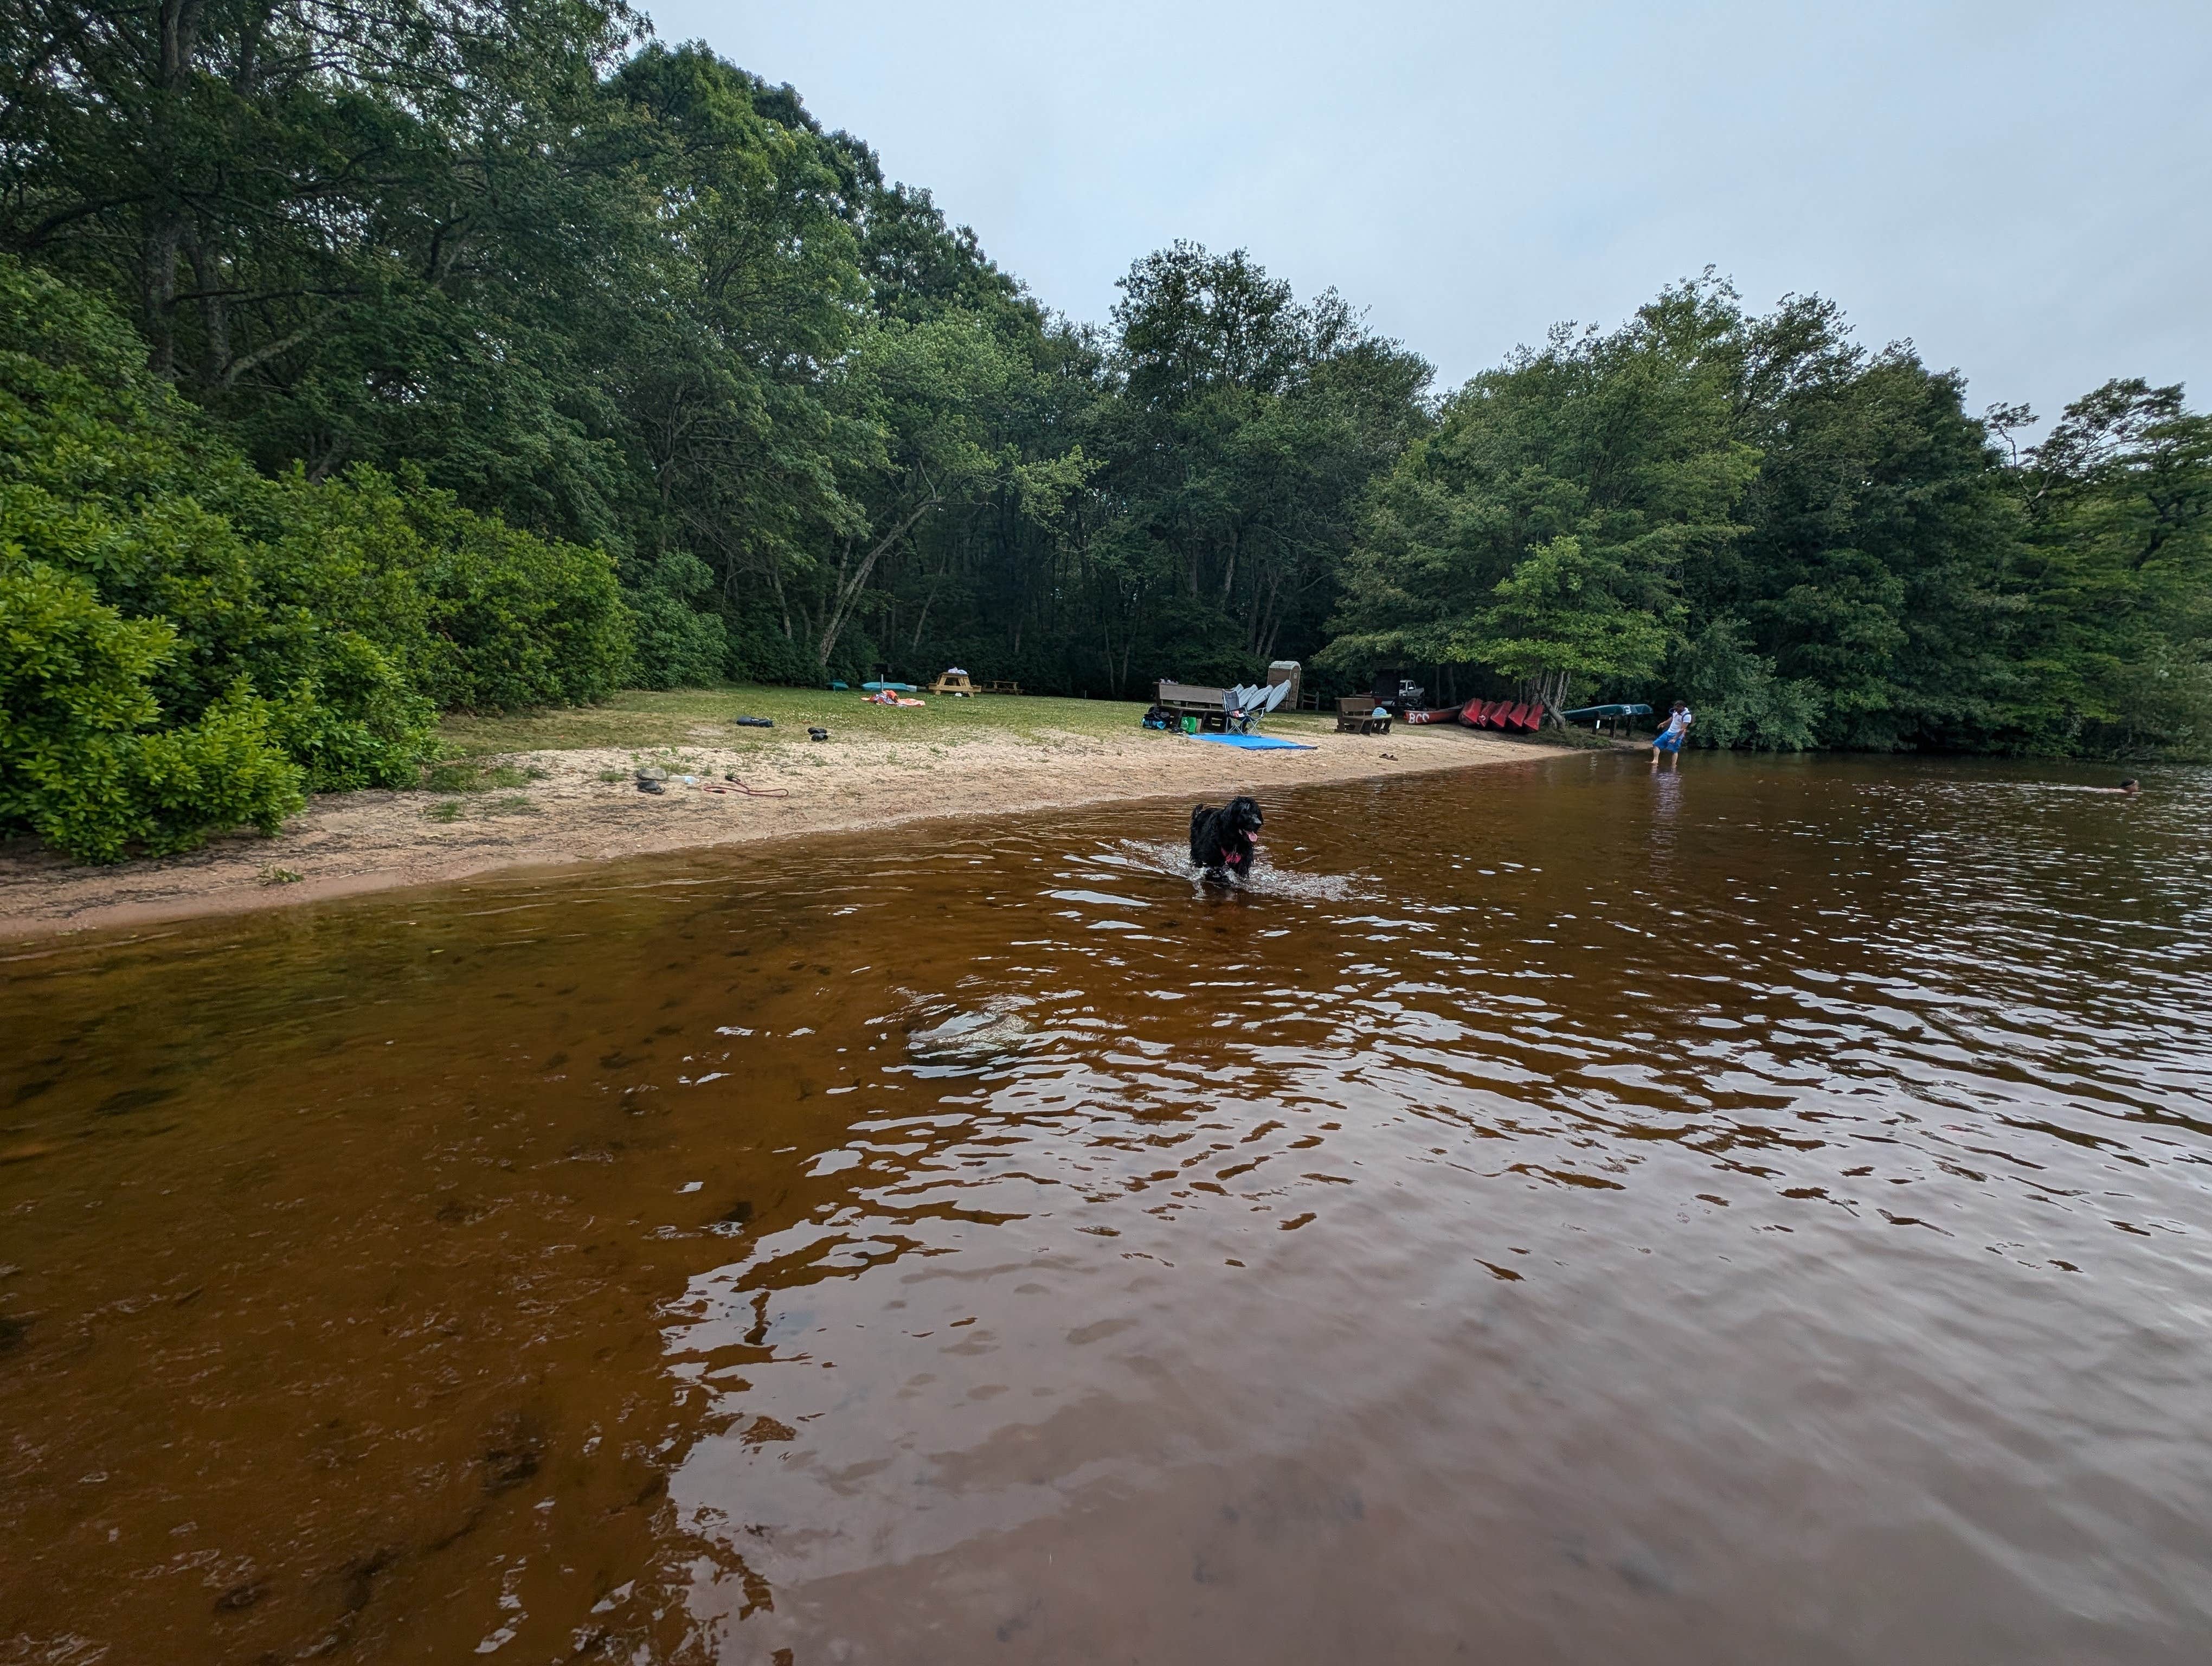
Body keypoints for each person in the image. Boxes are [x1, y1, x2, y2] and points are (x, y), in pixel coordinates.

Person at [1651, 701, 1692, 766]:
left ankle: (1673, 766)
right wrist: (1664, 723)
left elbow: (1682, 729)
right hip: (1669, 731)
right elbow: (1672, 718)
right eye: (1675, 709)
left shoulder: (1687, 716)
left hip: (1678, 734)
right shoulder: (1676, 711)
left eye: (1677, 709)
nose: (1676, 710)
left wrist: (1675, 738)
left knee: (1674, 750)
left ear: (1682, 707)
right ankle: (1655, 761)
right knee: (1656, 744)